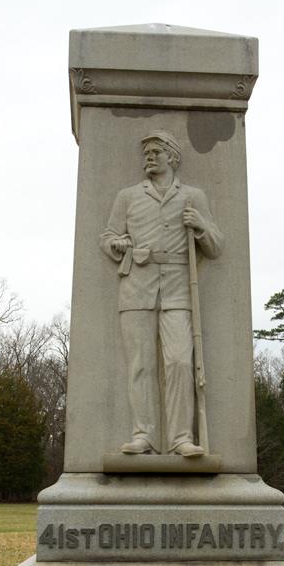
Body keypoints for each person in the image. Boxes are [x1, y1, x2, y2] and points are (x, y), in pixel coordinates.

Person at [100, 130, 223, 456]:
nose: (149, 157)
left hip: (178, 288)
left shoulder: (193, 196)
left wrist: (199, 225)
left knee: (181, 362)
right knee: (141, 366)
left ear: (173, 156)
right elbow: (108, 236)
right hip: (136, 286)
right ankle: (144, 436)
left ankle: (181, 438)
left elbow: (215, 245)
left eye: (156, 151)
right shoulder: (127, 196)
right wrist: (118, 243)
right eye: (146, 153)